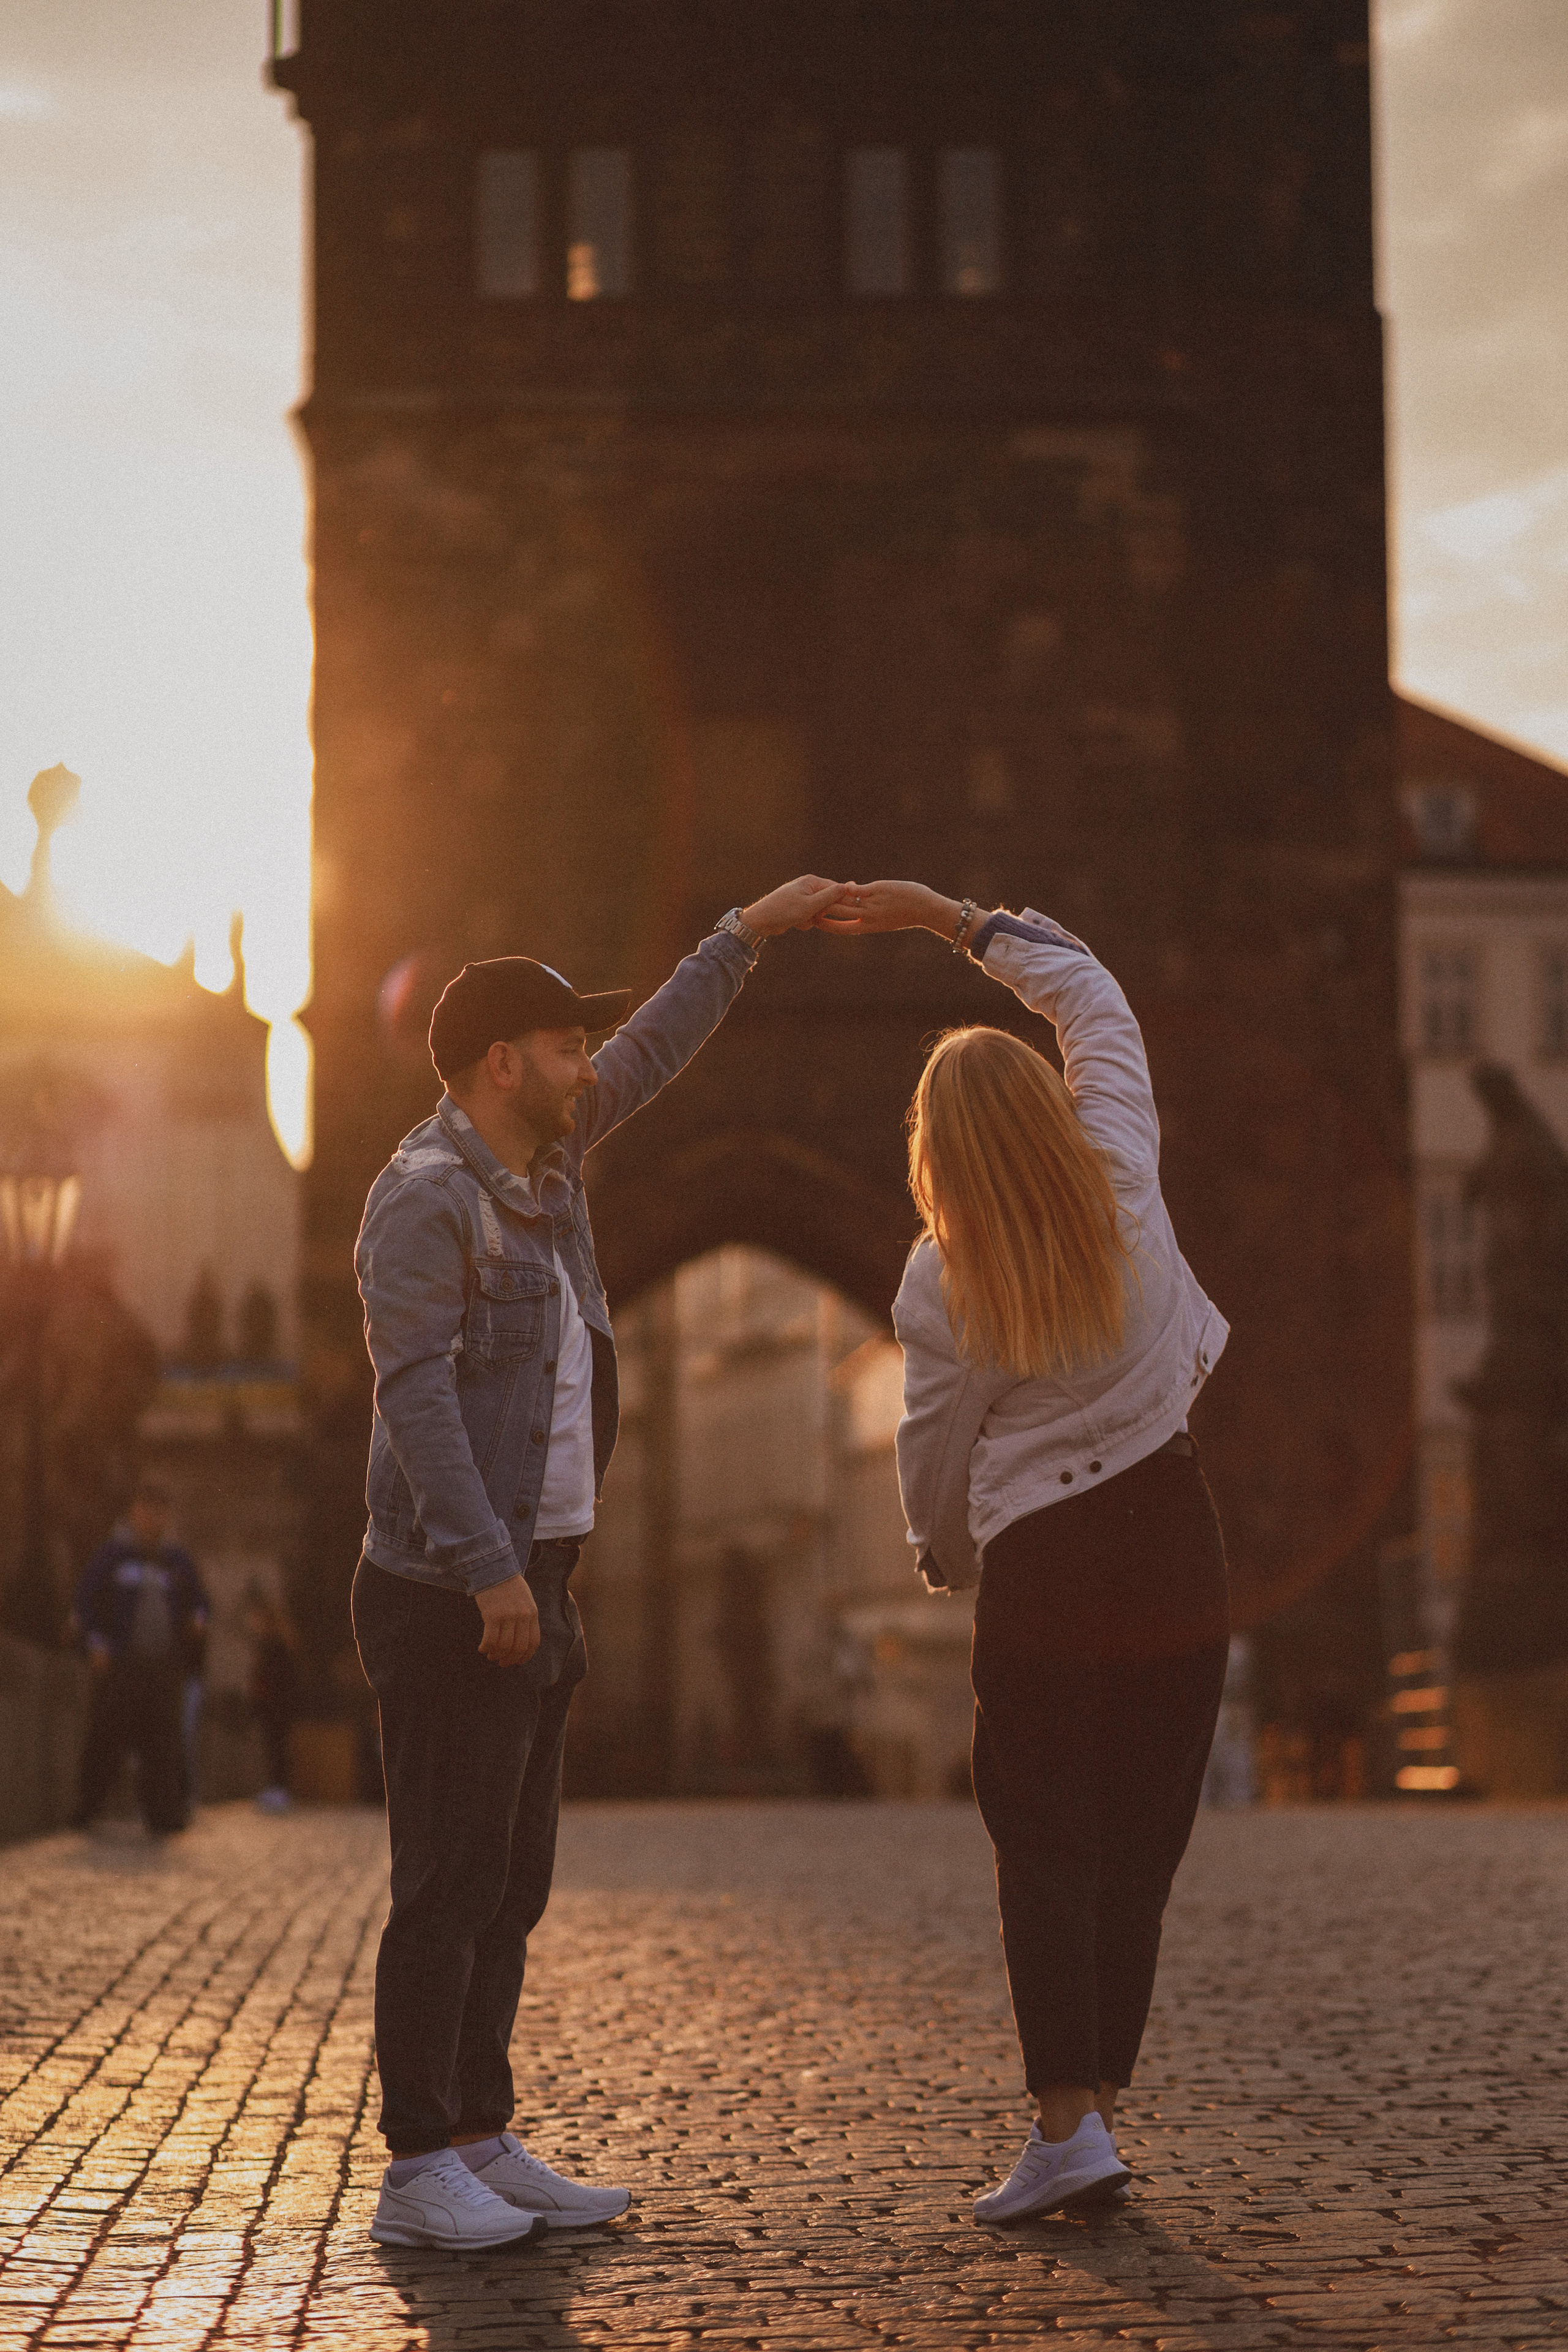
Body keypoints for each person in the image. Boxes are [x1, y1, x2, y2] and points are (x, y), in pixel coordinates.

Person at [353, 877, 850, 2252]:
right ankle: (413, 2171)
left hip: (540, 1574)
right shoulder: (427, 1199)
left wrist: (744, 937)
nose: (591, 1065)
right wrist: (485, 1572)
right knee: (444, 1881)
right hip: (453, 1588)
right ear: (503, 1063)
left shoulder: (549, 1162)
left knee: (511, 1883)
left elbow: (656, 1047)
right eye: (567, 1046)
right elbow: (416, 1395)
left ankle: (479, 2135)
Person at [838, 881, 1231, 2225]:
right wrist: (950, 918)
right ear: (1047, 1111)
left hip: (1047, 1571)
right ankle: (1095, 2120)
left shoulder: (940, 1281)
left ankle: (1066, 2126)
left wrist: (943, 1556)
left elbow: (934, 1455)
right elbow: (1095, 997)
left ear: (934, 1154)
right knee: (1137, 1847)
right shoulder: (1118, 1163)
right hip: (1176, 1537)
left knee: (1046, 1842)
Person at [70, 1480, 209, 1838]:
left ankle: (164, 1815)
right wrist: (96, 1643)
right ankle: (85, 1809)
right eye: (147, 1509)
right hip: (120, 1665)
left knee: (162, 1743)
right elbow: (85, 1601)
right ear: (135, 1512)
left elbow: (201, 1602)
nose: (153, 1517)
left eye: (160, 1511)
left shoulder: (175, 1559)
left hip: (163, 1668)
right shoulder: (112, 1555)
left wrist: (197, 1621)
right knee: (106, 1738)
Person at [246, 1591, 300, 1814]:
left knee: (276, 1747)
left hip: (274, 1705)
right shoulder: (278, 1644)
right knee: (275, 1747)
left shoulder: (273, 1645)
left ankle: (280, 1789)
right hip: (277, 1705)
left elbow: (270, 1678)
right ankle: (277, 1788)